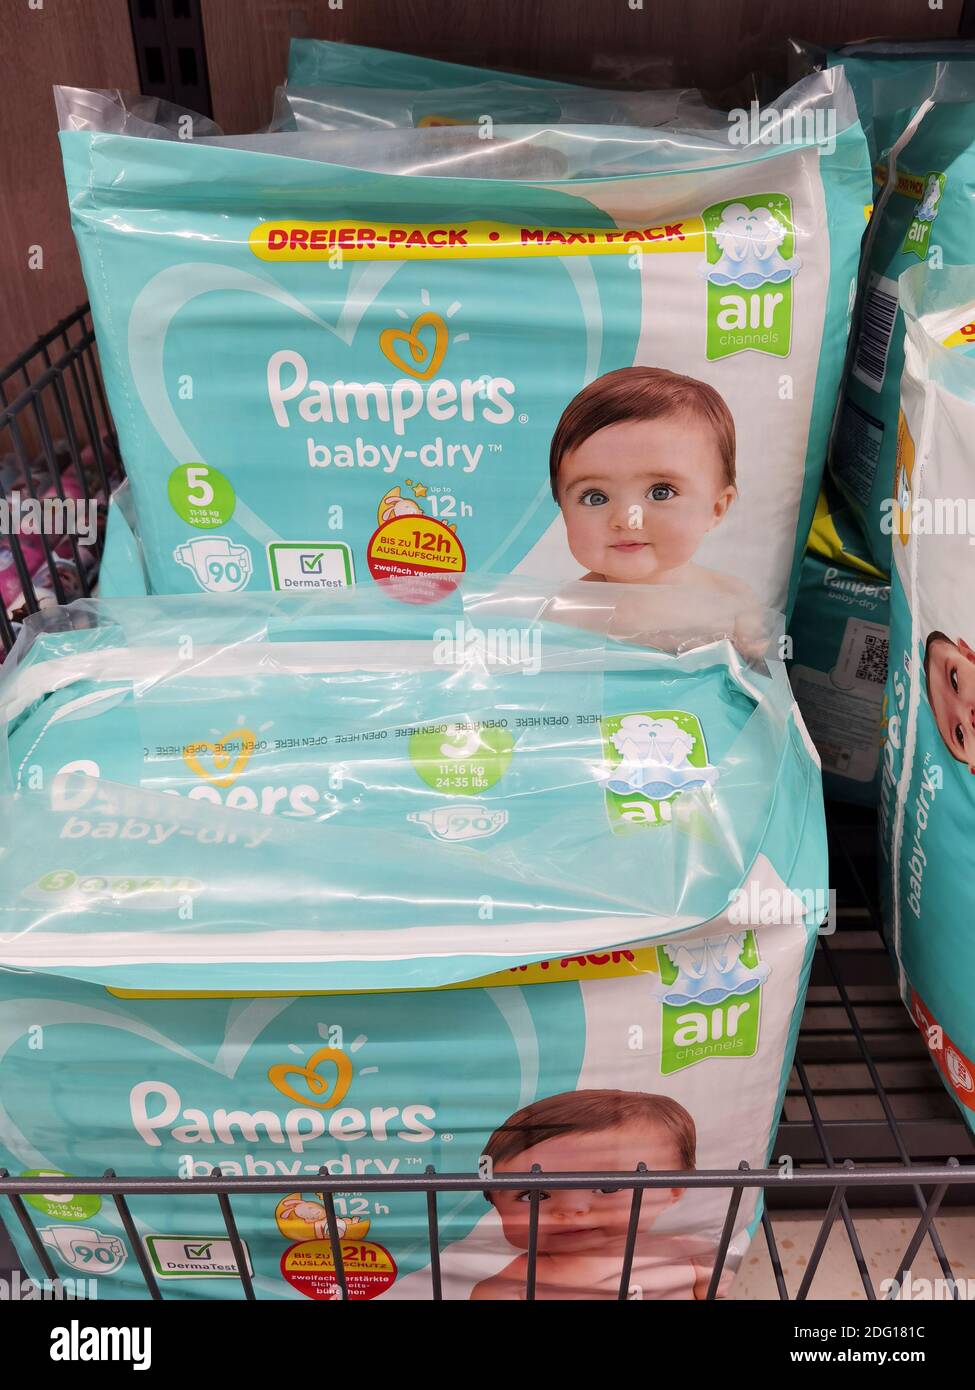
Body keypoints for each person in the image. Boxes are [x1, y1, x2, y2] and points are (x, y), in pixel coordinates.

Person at [470, 1088, 728, 1300]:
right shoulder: (506, 1290)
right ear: (494, 1201)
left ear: (672, 1189)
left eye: (607, 1187)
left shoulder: (690, 1253)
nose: (571, 1209)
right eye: (534, 1196)